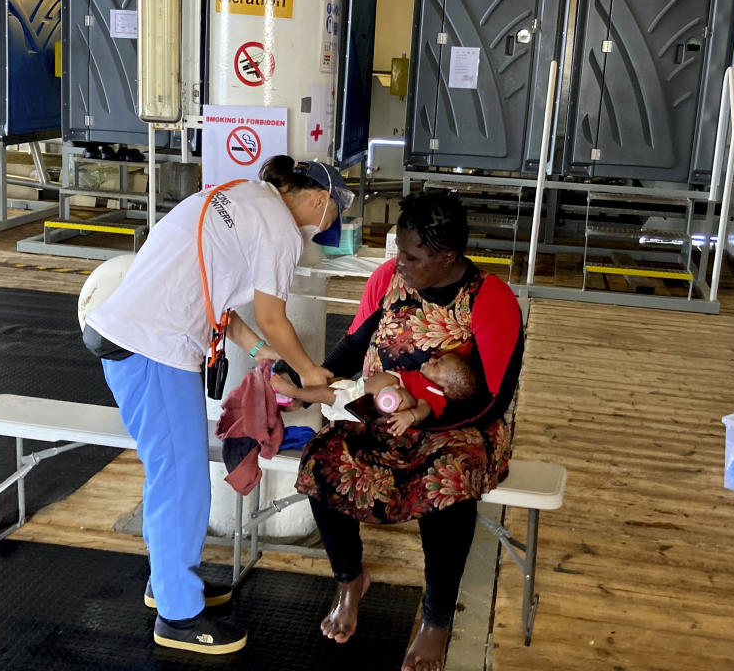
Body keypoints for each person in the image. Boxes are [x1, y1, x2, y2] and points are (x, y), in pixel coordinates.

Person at [83, 155, 352, 654]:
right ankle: (178, 618)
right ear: (319, 200)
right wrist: (309, 371)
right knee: (181, 477)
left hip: (135, 336)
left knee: (172, 472)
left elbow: (217, 303)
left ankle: (170, 582)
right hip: (153, 348)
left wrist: (256, 351)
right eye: (337, 212)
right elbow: (274, 316)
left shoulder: (243, 198)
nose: (334, 224)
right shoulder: (281, 231)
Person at [294, 192, 524, 671]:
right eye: (399, 249)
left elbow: (492, 398)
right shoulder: (386, 280)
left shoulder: (490, 299)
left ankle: (437, 617)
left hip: (461, 427)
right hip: (381, 413)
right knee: (322, 460)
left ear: (447, 258)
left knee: (448, 481)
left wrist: (417, 419)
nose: (400, 262)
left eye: (412, 256)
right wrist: (316, 377)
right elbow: (355, 346)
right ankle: (350, 578)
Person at [270, 352, 477, 436]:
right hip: (360, 391)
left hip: (365, 404)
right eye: (437, 359)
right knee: (332, 385)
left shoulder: (434, 394)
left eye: (438, 365)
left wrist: (410, 415)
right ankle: (294, 394)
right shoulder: (426, 383)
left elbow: (423, 409)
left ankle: (294, 392)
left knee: (328, 394)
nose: (432, 360)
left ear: (445, 388)